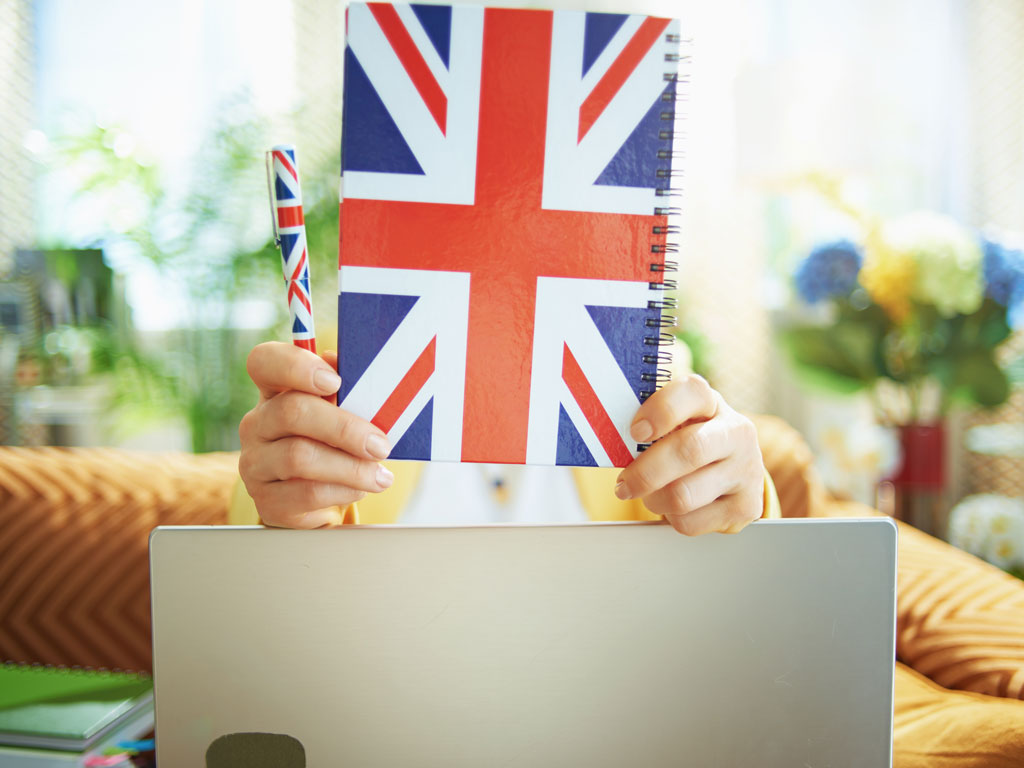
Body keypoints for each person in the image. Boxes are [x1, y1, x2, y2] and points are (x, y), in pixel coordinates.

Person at [234, 341, 779, 529]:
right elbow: (255, 551)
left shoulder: (643, 373)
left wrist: (745, 504)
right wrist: (277, 508)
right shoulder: (338, 370)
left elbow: (727, 573)